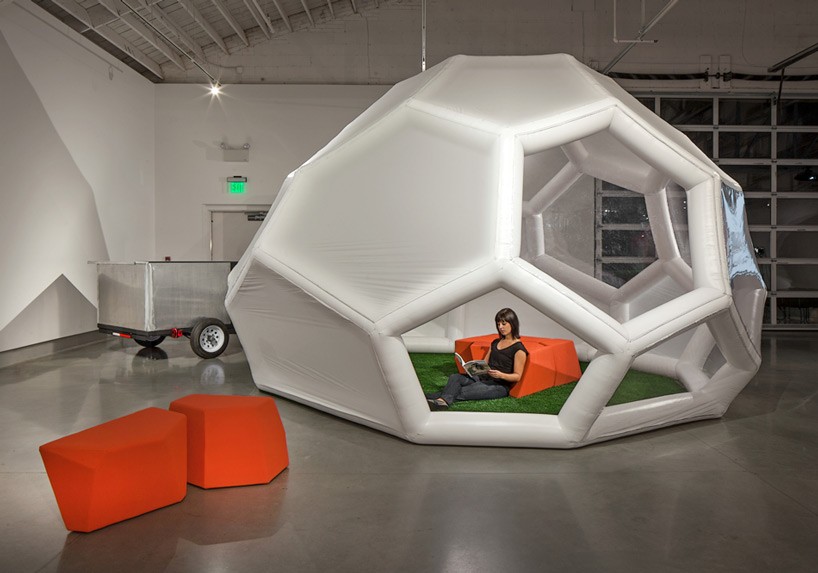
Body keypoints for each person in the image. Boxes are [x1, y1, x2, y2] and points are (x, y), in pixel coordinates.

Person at [427, 308, 528, 410]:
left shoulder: (519, 349)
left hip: (499, 386)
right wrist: (471, 368)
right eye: (498, 324)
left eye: (504, 324)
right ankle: (441, 401)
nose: (500, 327)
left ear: (512, 323)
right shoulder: (495, 342)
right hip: (482, 377)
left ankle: (436, 400)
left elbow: (517, 376)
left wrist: (500, 375)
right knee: (455, 377)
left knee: (462, 390)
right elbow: (485, 363)